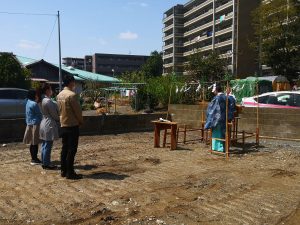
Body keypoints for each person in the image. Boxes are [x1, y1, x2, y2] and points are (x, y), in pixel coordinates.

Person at [57, 75, 83, 180]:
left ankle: (63, 170)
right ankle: (70, 172)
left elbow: (58, 110)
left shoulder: (59, 95)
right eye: (74, 82)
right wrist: (80, 121)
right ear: (71, 82)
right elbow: (78, 111)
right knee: (72, 150)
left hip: (63, 124)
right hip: (72, 125)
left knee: (64, 148)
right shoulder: (72, 95)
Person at [205, 83, 233, 152]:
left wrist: (208, 117)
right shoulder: (227, 97)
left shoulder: (217, 98)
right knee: (223, 133)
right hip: (225, 118)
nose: (213, 91)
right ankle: (223, 147)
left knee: (216, 134)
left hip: (217, 119)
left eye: (214, 90)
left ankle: (217, 148)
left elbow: (212, 109)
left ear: (216, 90)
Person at [39, 83, 60, 170]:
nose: (51, 91)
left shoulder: (42, 100)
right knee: (48, 144)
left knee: (44, 144)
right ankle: (47, 163)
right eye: (50, 89)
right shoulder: (47, 101)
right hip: (49, 123)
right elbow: (54, 115)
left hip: (43, 122)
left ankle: (44, 162)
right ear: (47, 90)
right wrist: (59, 119)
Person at [23, 89, 43, 165]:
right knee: (35, 143)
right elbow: (39, 115)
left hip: (29, 124)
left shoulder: (27, 102)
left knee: (32, 143)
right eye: (36, 94)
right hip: (35, 124)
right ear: (34, 95)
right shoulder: (34, 104)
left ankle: (33, 158)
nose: (36, 95)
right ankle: (34, 159)